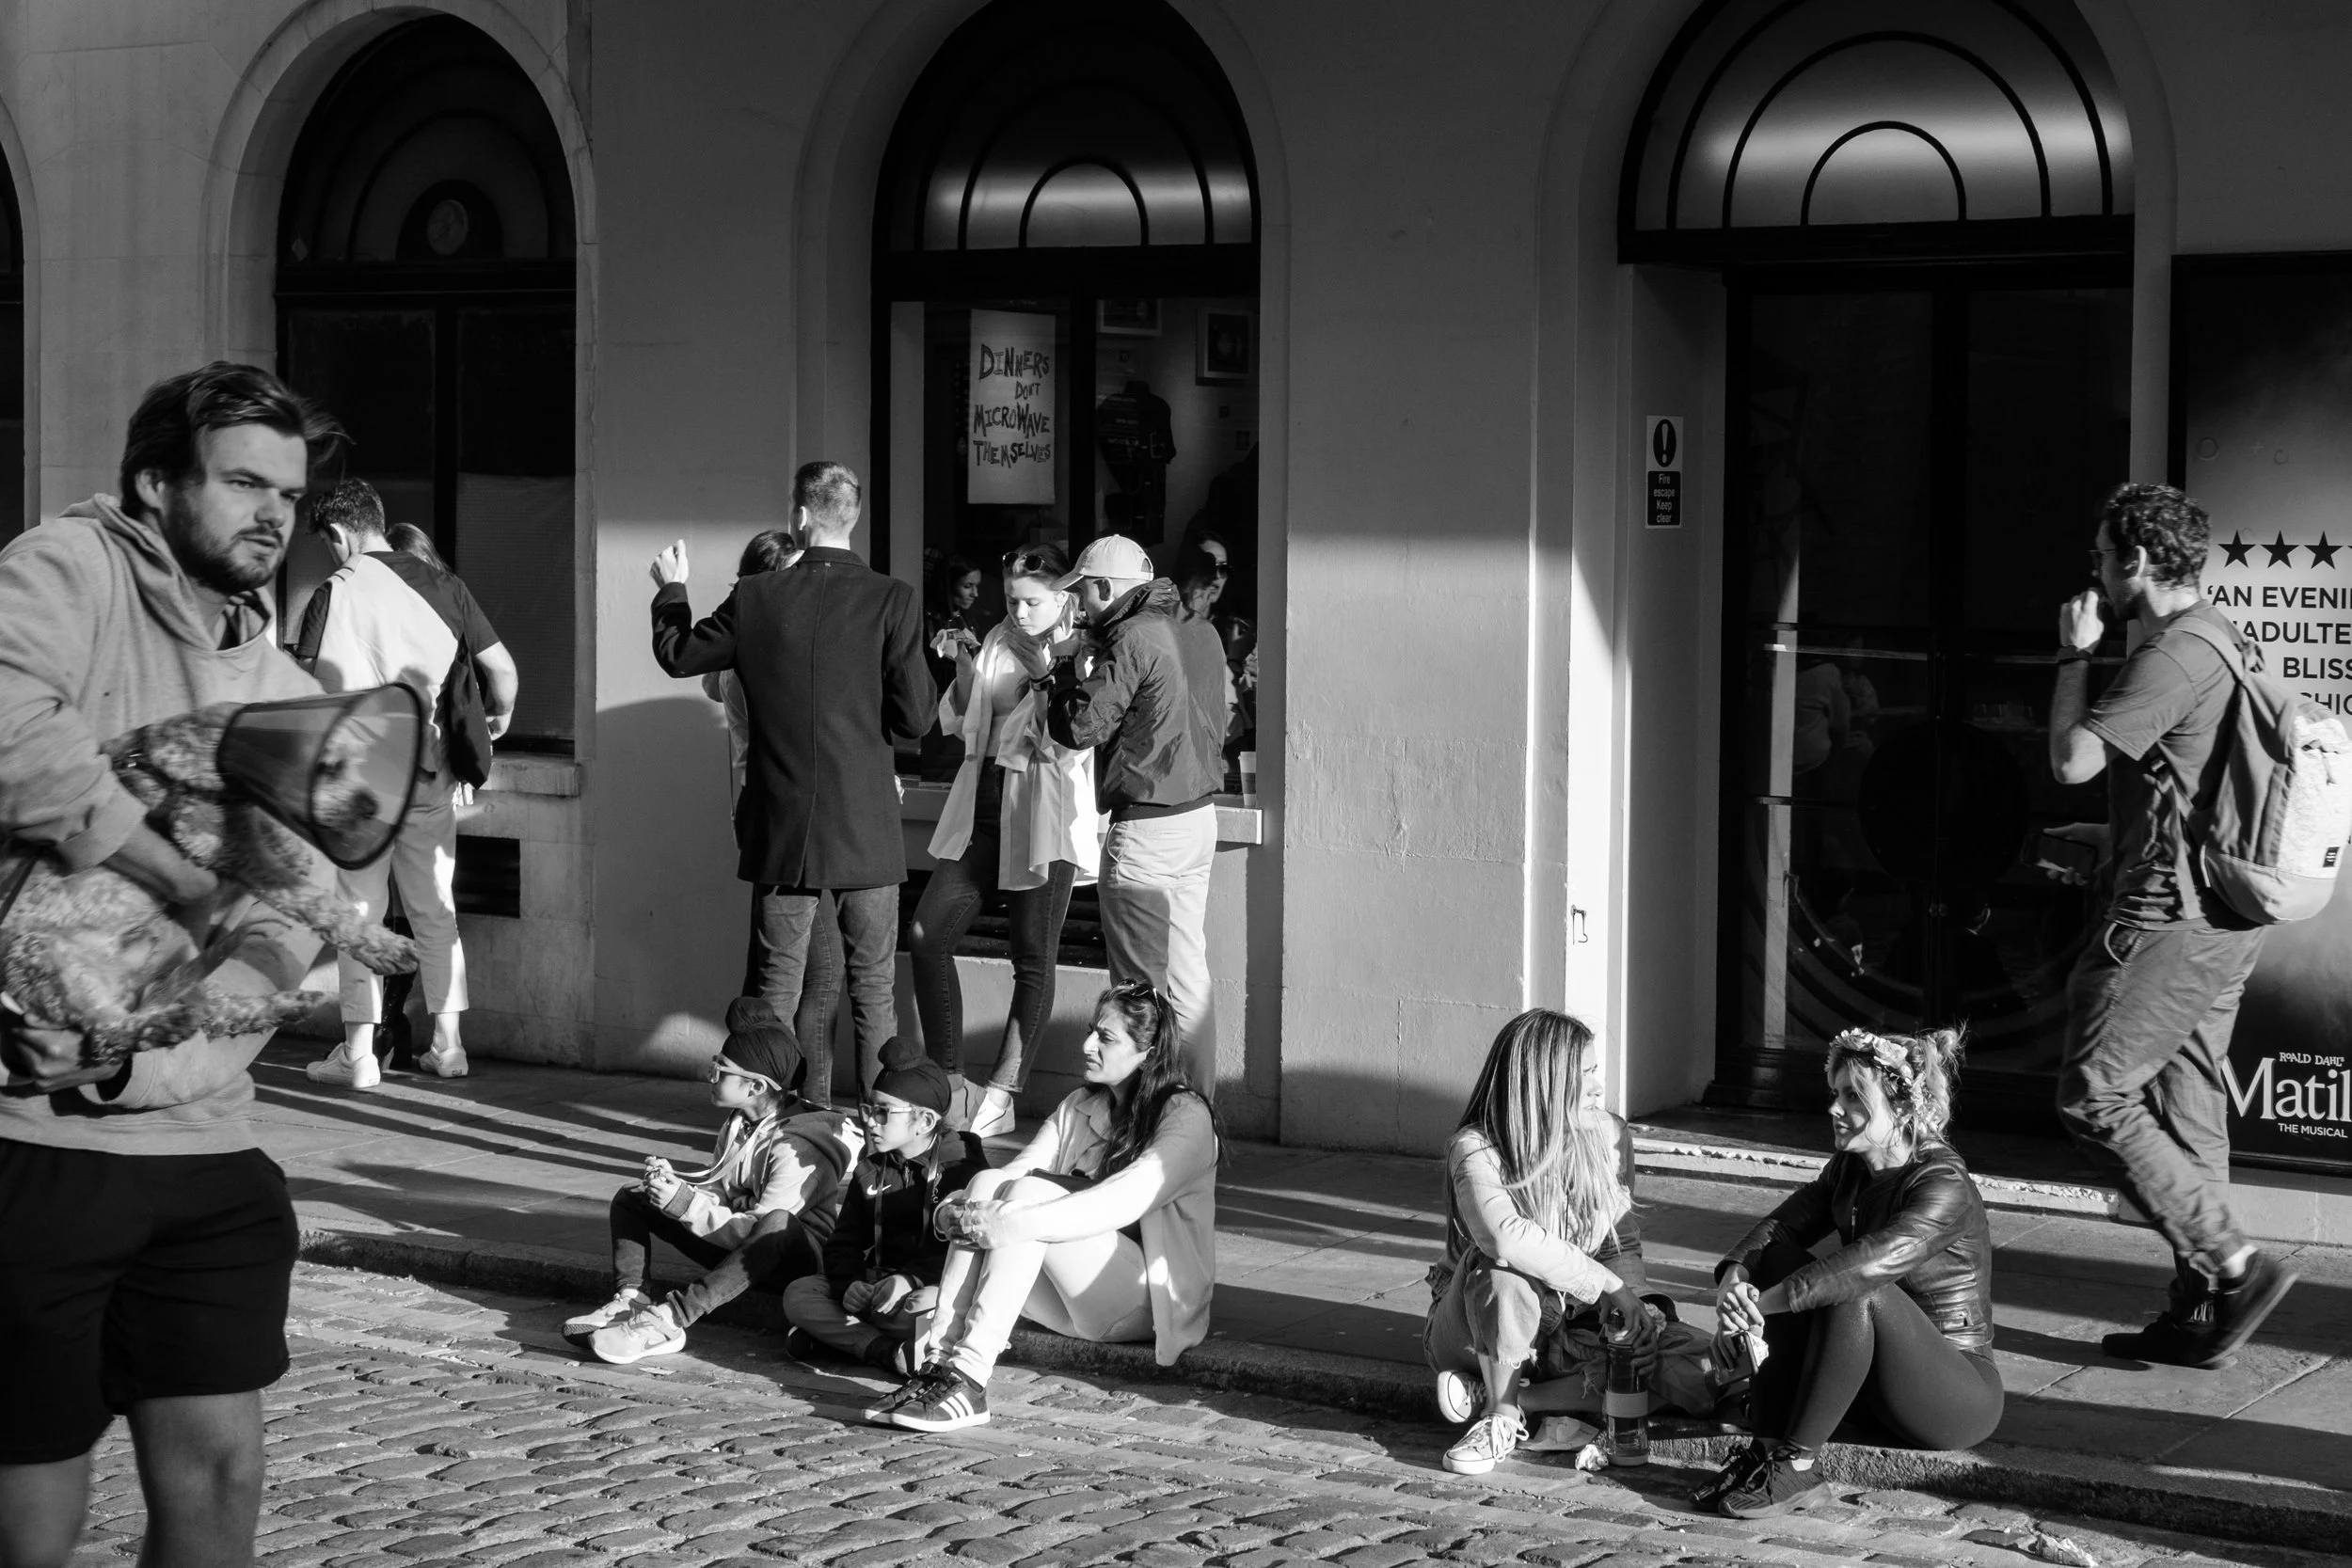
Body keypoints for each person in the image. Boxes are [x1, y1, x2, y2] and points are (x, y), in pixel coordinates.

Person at [0, 362, 346, 1568]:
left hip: (206, 1144)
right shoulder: (71, 567)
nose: (272, 513)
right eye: (243, 480)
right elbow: (4, 720)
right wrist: (169, 867)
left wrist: (196, 1018)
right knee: (25, 1512)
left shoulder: (289, 686)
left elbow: (303, 905)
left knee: (218, 1475)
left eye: (290, 494)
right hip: (29, 1146)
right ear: (156, 483)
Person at [2044, 482, 2299, 1367]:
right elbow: (2187, 784)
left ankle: (2233, 1262)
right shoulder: (2221, 637)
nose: (2097, 575)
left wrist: (2072, 657)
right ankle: (2200, 1311)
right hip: (2220, 914)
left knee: (2096, 1094)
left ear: (2139, 561)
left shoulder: (2170, 654)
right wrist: (2110, 837)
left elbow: (2072, 758)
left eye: (2103, 558)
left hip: (2168, 918)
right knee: (2190, 1106)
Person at [649, 463, 933, 1104]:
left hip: (787, 826)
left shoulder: (758, 597)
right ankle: (884, 1142)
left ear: (801, 516)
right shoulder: (893, 599)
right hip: (866, 823)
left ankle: (765, 1131)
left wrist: (673, 588)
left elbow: (679, 654)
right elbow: (916, 717)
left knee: (777, 986)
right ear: (852, 518)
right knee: (874, 990)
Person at [864, 981, 1217, 1433]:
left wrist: (1012, 1223)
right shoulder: (1080, 1105)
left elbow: (1125, 1199)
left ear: (1147, 1053)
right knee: (990, 1181)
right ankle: (938, 1366)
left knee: (1024, 1201)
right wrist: (953, 1210)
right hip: (1073, 1302)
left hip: (1147, 1303)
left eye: (1106, 1038)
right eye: (1092, 1030)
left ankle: (969, 1377)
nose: (1088, 1044)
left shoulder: (1186, 1115)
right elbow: (1013, 1174)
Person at [1695, 1026, 2002, 1519]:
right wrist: (1735, 1279)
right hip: (1870, 1385)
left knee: (1854, 1286)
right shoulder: (1850, 1169)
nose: (1835, 1109)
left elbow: (1864, 1268)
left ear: (1903, 1109)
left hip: (1954, 1397)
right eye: (1835, 1094)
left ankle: (1799, 1466)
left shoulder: (1944, 1185)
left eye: (1854, 1097)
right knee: (1775, 1260)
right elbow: (1779, 1229)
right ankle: (1767, 1448)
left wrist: (1761, 1305)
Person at [293, 478, 519, 1087]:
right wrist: (498, 718)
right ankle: (448, 1047)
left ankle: (360, 1054)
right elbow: (502, 670)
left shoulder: (332, 594)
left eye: (329, 544)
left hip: (359, 783)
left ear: (340, 533)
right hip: (428, 772)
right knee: (435, 911)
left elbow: (307, 689)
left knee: (360, 913)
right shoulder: (443, 585)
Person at [1424, 1009, 1711, 1477]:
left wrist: (1635, 1312)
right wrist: (1607, 1287)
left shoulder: (1610, 1133)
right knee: (1505, 1269)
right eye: (1582, 1075)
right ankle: (1497, 1416)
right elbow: (1504, 1238)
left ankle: (1513, 1400)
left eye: (1596, 1070)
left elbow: (1620, 1244)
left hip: (1571, 1325)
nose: (1598, 1087)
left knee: (1703, 1366)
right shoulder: (1475, 1148)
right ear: (1540, 1083)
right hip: (1477, 1326)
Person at [910, 544, 1098, 1138]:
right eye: (1011, 598)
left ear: (1063, 596)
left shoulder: (1083, 649)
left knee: (1032, 956)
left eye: (1031, 601)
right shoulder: (997, 637)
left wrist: (1046, 668)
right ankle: (949, 1080)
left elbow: (1073, 736)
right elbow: (963, 716)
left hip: (1045, 811)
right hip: (983, 803)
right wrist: (966, 665)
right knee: (926, 933)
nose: (1017, 611)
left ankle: (1003, 1090)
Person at [564, 999, 861, 1365]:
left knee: (777, 1223)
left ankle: (671, 1321)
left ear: (754, 1086)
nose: (711, 1075)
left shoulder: (799, 1146)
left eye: (721, 1069)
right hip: (736, 1245)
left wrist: (685, 1203)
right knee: (634, 1197)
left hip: (788, 1261)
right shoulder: (739, 1123)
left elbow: (762, 1230)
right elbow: (718, 1193)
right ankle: (632, 1299)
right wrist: (676, 1187)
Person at [1045, 536, 1229, 1095]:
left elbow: (1078, 728)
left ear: (1105, 588)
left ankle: (1148, 1128)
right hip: (1198, 818)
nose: (1079, 605)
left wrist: (1058, 672)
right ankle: (1194, 1117)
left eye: (1082, 593)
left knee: (1137, 996)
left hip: (1148, 829)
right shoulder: (1198, 629)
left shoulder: (1132, 637)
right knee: (1188, 982)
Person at [694, 530, 844, 1063]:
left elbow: (712, 685)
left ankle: (774, 1086)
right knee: (800, 969)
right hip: (787, 808)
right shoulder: (768, 649)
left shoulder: (744, 642)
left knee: (790, 962)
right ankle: (780, 1091)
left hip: (761, 805)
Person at [782, 1035, 992, 1376]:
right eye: (868, 1109)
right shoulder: (870, 1167)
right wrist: (849, 1284)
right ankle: (885, 1351)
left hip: (927, 1292)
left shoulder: (964, 1172)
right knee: (800, 1294)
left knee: (934, 1311)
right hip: (877, 1291)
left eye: (883, 1113)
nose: (870, 1121)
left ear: (924, 1122)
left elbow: (974, 1254)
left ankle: (839, 1341)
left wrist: (914, 1281)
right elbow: (843, 1242)